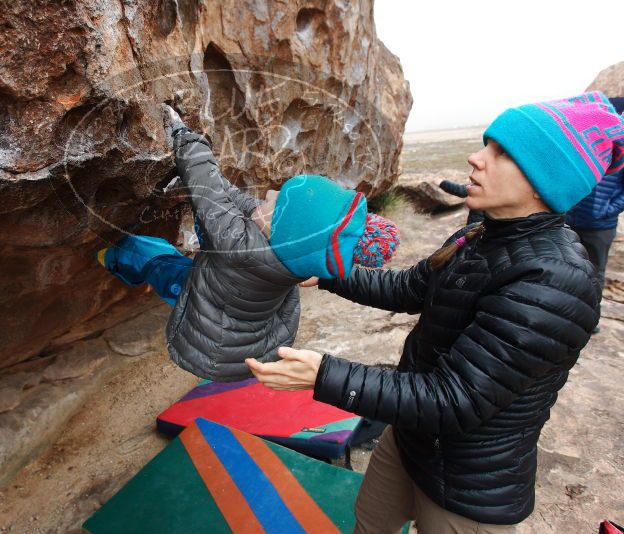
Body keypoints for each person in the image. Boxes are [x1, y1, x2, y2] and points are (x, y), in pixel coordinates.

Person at [247, 91, 624, 533]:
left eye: (502, 153)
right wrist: (330, 274)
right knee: (369, 525)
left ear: (546, 179)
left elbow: (454, 399)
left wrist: (323, 375)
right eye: (486, 144)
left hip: (468, 486)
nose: (476, 158)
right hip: (410, 438)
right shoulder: (483, 233)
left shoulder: (554, 280)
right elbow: (411, 287)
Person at [97, 105, 400, 382]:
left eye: (276, 201)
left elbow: (207, 188)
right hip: (252, 335)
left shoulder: (240, 245)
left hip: (212, 346)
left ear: (280, 229)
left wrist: (182, 134)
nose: (269, 193)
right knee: (219, 238)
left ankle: (111, 257)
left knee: (154, 257)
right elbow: (233, 199)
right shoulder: (291, 250)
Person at [566, 96, 624, 330]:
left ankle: (591, 319)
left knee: (595, 272)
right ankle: (569, 314)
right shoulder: (586, 143)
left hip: (601, 225)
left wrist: (607, 210)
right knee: (569, 269)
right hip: (571, 218)